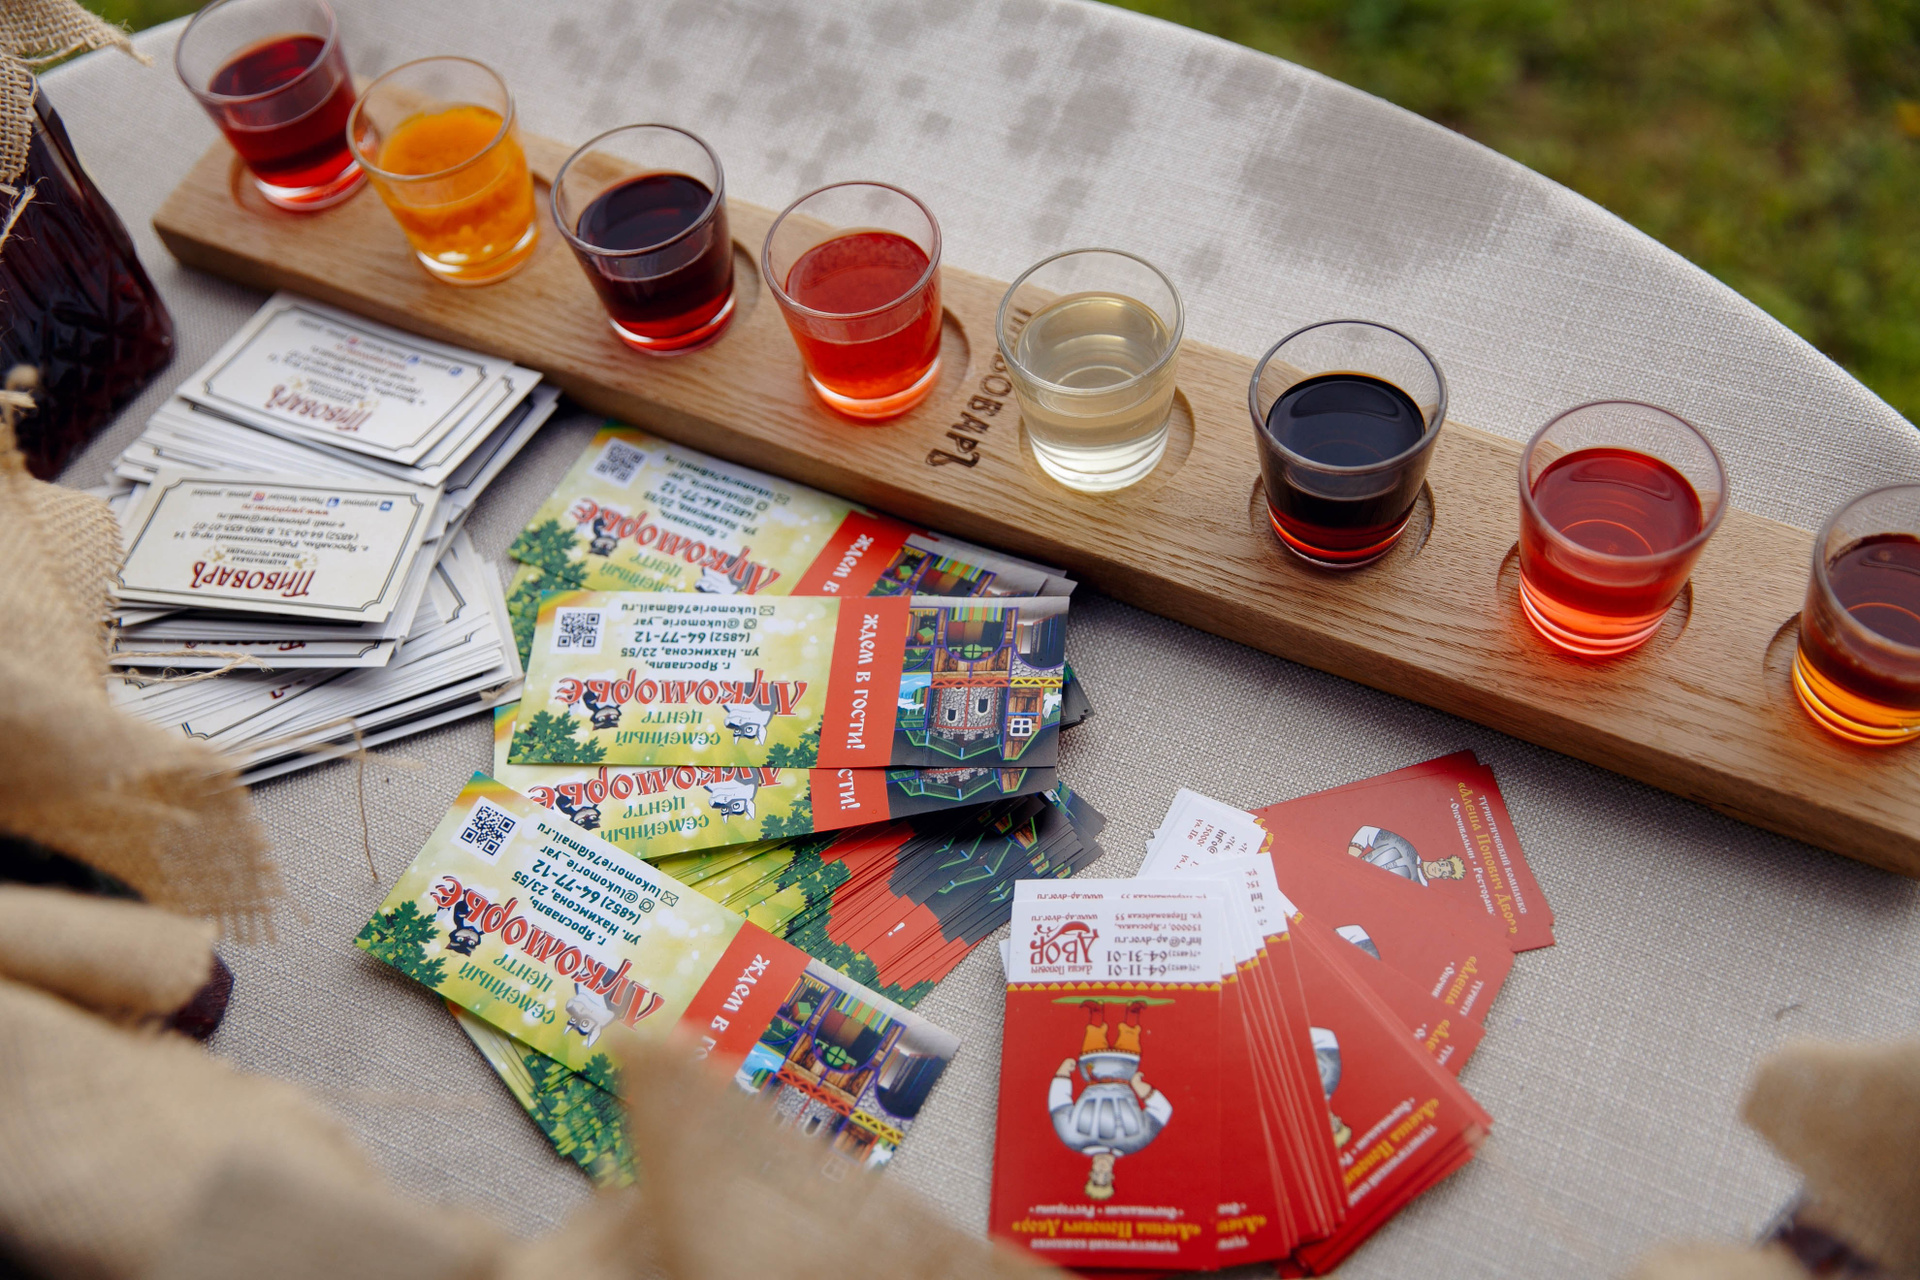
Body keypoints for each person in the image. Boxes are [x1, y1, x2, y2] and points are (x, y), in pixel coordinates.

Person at [1048, 1000, 1172, 1201]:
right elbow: (1162, 1111)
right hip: (1125, 1071)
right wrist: (1141, 1089)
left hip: (1093, 1071)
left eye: (1096, 1175)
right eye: (1104, 1177)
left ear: (1091, 1171)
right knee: (1129, 1039)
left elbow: (1058, 1105)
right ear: (1112, 1175)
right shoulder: (1135, 1142)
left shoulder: (1072, 1138)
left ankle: (1096, 1011)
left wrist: (1062, 1075)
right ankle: (1133, 1013)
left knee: (1094, 1039)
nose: (1101, 1170)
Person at [1347, 824, 1467, 886]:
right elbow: (1367, 832)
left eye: (1444, 872)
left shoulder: (1418, 891)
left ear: (1444, 877)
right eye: (1443, 865)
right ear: (1440, 860)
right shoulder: (1406, 848)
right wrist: (1349, 860)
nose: (1439, 869)